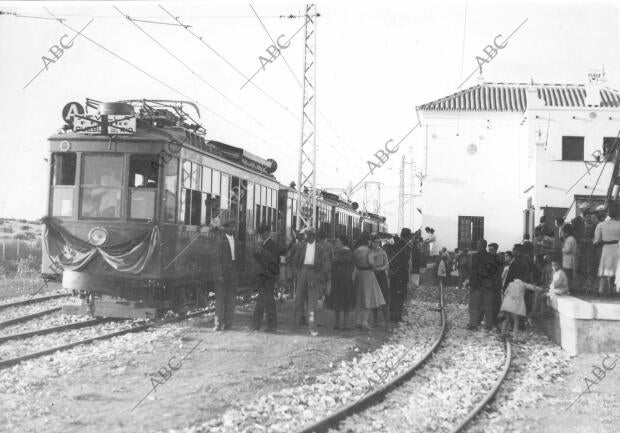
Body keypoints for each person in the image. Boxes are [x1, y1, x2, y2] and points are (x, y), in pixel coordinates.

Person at [292, 227, 332, 336]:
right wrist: (298, 274)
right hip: (303, 272)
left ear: (313, 236)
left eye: (308, 235)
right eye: (306, 234)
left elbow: (325, 264)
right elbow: (294, 261)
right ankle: (296, 324)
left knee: (312, 303)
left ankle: (312, 327)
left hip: (314, 273)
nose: (306, 237)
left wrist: (318, 276)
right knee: (298, 300)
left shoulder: (320, 248)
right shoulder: (301, 246)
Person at [353, 232, 386, 331]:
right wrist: (377, 268)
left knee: (359, 298)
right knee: (368, 298)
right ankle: (364, 322)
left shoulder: (356, 251)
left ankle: (357, 322)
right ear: (368, 241)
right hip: (368, 275)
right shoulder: (369, 251)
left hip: (358, 274)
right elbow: (372, 264)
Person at [251, 224, 279, 332]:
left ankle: (258, 325)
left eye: (261, 234)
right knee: (267, 301)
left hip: (267, 277)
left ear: (267, 233)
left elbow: (268, 262)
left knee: (264, 301)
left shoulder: (271, 245)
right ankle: (270, 325)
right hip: (266, 277)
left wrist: (258, 253)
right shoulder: (267, 244)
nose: (260, 236)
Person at [214, 220, 241, 331]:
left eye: (234, 227)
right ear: (225, 228)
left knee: (231, 299)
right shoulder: (220, 240)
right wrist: (219, 274)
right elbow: (217, 259)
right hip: (222, 273)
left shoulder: (236, 240)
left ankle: (228, 323)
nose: (233, 229)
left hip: (233, 271)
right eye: (230, 227)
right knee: (220, 299)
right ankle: (218, 323)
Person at [325, 235, 355, 330]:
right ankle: (345, 324)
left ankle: (337, 324)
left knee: (337, 301)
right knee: (346, 302)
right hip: (347, 279)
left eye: (337, 241)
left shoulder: (340, 253)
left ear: (342, 242)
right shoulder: (350, 253)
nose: (336, 243)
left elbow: (333, 264)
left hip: (338, 279)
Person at [593, 202, 620, 295]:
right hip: (617, 248)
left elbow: (597, 240)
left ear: (608, 213)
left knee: (605, 268)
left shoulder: (601, 225)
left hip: (606, 248)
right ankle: (613, 288)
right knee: (616, 268)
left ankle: (602, 289)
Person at [389, 228, 412, 322]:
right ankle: (398, 316)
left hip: (393, 274)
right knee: (401, 295)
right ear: (408, 236)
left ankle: (392, 315)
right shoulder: (407, 247)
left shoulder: (394, 245)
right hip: (402, 274)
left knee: (393, 294)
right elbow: (405, 262)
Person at [369, 235, 391, 330]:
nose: (376, 244)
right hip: (372, 276)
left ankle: (387, 324)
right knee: (374, 299)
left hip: (381, 276)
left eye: (378, 242)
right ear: (371, 242)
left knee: (384, 300)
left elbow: (387, 265)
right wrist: (373, 268)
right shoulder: (369, 252)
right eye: (374, 242)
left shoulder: (383, 252)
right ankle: (375, 322)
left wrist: (382, 268)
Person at [561, 223, 577, 291]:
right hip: (570, 259)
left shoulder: (569, 239)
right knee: (569, 275)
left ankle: (568, 289)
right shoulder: (572, 239)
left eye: (564, 232)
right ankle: (569, 288)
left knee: (568, 275)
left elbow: (567, 250)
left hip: (568, 260)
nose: (563, 234)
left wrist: (562, 249)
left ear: (567, 232)